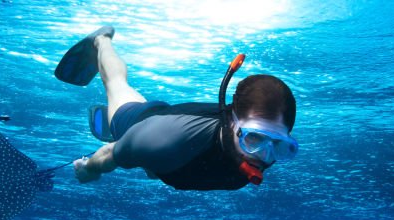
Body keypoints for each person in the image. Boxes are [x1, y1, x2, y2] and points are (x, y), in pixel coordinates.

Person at [54, 26, 298, 190]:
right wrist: (88, 169)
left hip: (171, 148)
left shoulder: (260, 148)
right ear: (233, 123)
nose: (263, 157)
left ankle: (146, 159)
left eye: (279, 145)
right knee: (117, 84)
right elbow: (109, 154)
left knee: (152, 161)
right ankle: (101, 40)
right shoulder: (162, 140)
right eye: (254, 139)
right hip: (141, 123)